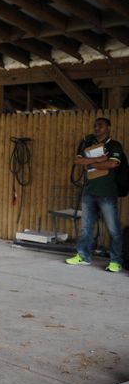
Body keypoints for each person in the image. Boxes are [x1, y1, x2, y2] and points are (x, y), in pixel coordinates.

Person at [65, 117, 124, 272]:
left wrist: (90, 163)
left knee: (113, 228)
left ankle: (116, 261)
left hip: (107, 192)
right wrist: (97, 160)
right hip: (89, 191)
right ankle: (83, 256)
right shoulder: (87, 143)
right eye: (95, 125)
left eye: (101, 125)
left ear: (108, 127)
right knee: (86, 227)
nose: (97, 128)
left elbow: (113, 163)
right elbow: (77, 161)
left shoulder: (114, 145)